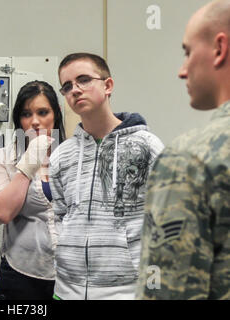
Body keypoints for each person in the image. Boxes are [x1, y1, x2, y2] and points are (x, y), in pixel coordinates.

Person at [49, 53, 164, 300]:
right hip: (67, 289)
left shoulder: (147, 147)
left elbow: (165, 218)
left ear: (108, 85)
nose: (75, 90)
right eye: (67, 86)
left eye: (83, 80)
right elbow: (58, 216)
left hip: (126, 290)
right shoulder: (62, 156)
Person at [136, 0, 230, 300]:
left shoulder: (190, 160)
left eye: (188, 52)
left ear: (219, 48)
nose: (182, 70)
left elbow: (167, 291)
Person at [0, 80, 66, 300]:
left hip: (72, 275)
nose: (35, 121)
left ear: (56, 114)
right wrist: (29, 163)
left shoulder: (73, 155)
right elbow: (2, 213)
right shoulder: (3, 157)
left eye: (43, 112)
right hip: (22, 274)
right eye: (26, 114)